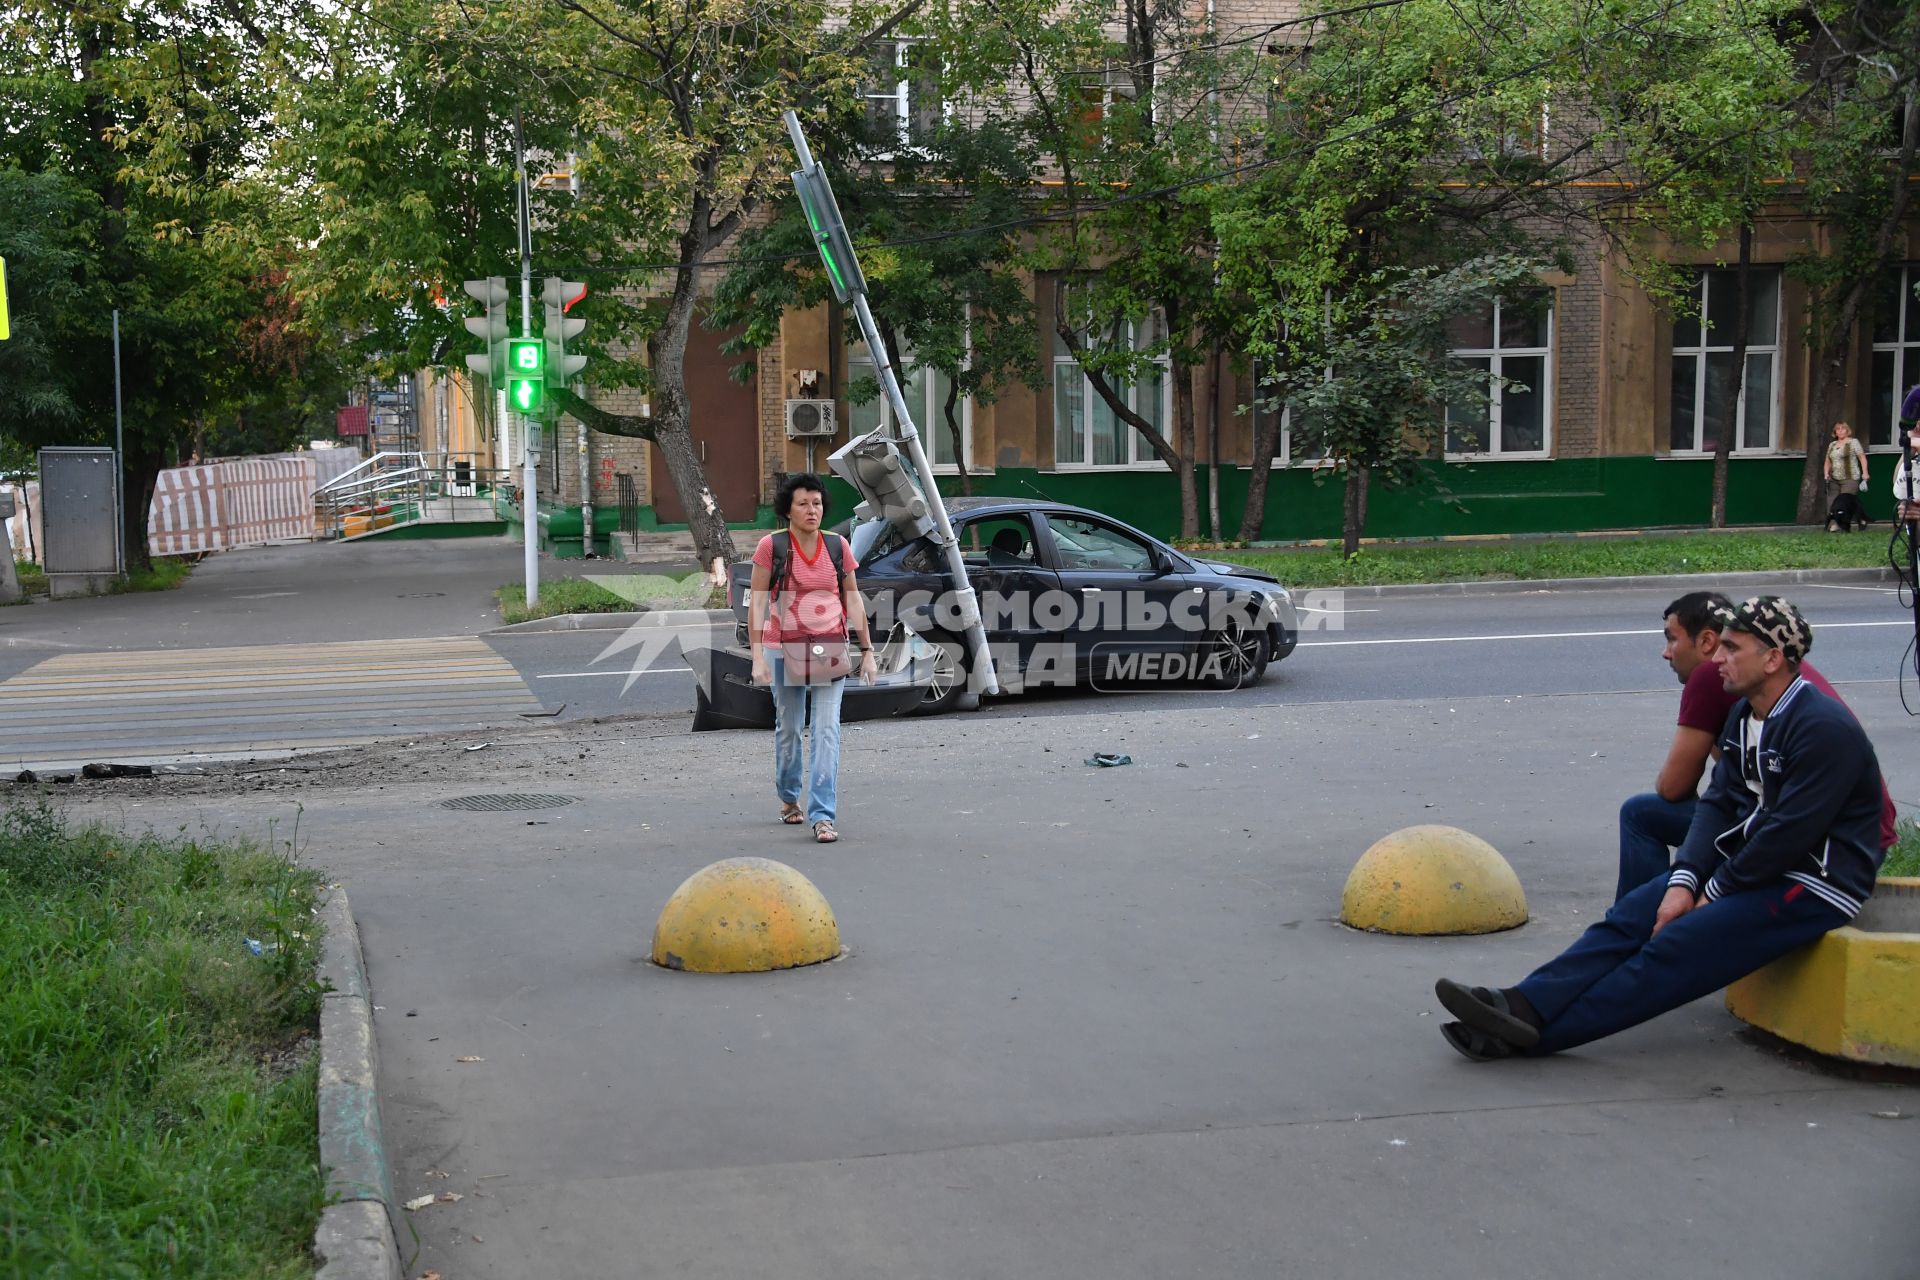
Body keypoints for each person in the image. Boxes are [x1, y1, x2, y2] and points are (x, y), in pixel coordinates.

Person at [1437, 597, 1888, 1061]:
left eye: (1732, 648)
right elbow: (1717, 803)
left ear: (1773, 659)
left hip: (1813, 884)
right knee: (1635, 912)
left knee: (1674, 947)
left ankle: (1532, 1036)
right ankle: (1522, 1003)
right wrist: (1685, 879)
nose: (1717, 659)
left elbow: (1789, 834)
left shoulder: (1821, 727)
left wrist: (1714, 892)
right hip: (1759, 867)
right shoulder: (1745, 715)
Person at [1616, 592, 1894, 902]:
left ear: (1708, 641)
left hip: (1823, 840)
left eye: (1672, 639)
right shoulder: (1780, 670)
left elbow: (1673, 788)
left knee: (1640, 814)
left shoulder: (1711, 676)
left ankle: (1651, 914)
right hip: (1864, 830)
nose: (1666, 653)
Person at [748, 474, 878, 844]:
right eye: (803, 503)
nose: (812, 510)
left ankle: (823, 816)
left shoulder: (837, 546)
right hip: (781, 648)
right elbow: (758, 603)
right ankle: (789, 797)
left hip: (829, 649)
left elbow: (852, 599)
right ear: (787, 509)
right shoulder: (770, 547)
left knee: (826, 730)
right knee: (789, 730)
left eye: (817, 503)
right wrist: (757, 657)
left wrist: (866, 651)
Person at [1823, 421, 1870, 531]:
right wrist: (1826, 473)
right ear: (1835, 432)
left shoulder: (1853, 442)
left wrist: (1865, 473)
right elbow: (1827, 461)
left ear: (1847, 430)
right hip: (1834, 478)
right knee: (1833, 502)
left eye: (1842, 428)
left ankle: (1858, 520)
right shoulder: (1832, 445)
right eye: (1837, 429)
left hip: (1850, 478)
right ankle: (1834, 525)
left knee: (1845, 502)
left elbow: (1862, 457)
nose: (1840, 431)